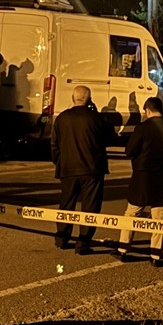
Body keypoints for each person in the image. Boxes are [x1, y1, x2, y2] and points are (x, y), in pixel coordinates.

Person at [117, 97, 163, 265]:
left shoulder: (142, 128)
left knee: (132, 213)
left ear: (147, 110)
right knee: (159, 218)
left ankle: (123, 249)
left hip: (142, 176)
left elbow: (129, 150)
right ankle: (156, 254)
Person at [50, 85, 116, 253]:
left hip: (68, 168)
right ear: (89, 99)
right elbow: (110, 138)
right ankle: (83, 242)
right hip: (92, 169)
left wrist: (59, 161)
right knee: (90, 207)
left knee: (66, 204)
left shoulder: (62, 118)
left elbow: (54, 145)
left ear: (73, 98)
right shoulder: (97, 118)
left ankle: (62, 238)